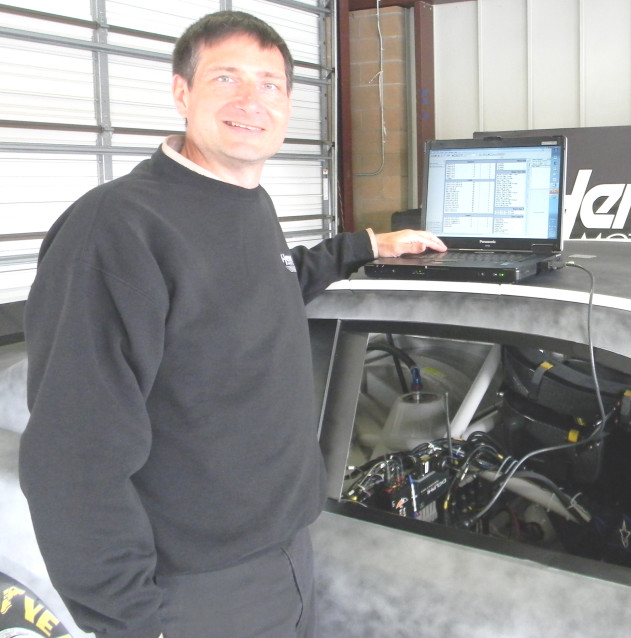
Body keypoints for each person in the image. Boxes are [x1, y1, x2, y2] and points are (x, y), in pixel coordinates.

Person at [18, 10, 445, 638]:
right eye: (226, 79)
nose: (252, 101)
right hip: (196, 590)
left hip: (287, 552)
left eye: (270, 84)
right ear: (181, 92)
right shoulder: (116, 230)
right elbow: (72, 461)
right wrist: (133, 623)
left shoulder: (247, 200)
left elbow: (268, 281)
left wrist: (367, 247)